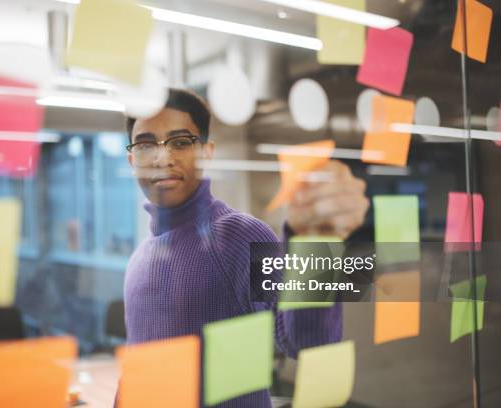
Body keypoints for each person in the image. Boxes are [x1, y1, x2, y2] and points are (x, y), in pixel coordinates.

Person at [123, 89, 369, 407]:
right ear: (132, 160)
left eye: (181, 142)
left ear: (207, 152)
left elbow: (309, 341)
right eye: (145, 145)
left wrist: (315, 244)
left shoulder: (239, 236)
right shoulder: (141, 257)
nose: (162, 158)